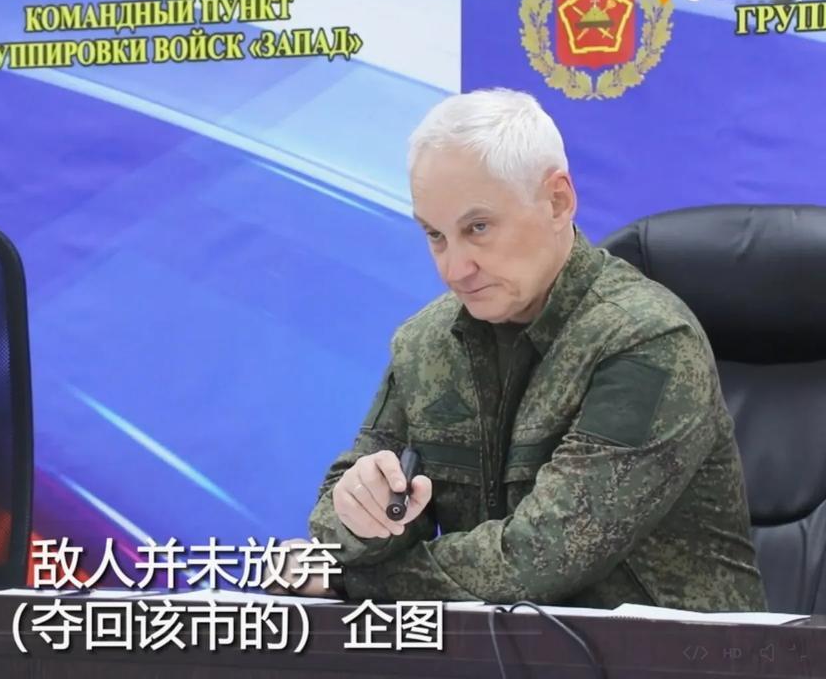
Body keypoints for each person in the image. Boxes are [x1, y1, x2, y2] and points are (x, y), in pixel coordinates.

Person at [288, 89, 766, 611]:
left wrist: (347, 581)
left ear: (557, 201)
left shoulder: (648, 339)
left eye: (478, 228)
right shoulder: (425, 343)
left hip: (675, 652)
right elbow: (337, 524)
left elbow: (543, 556)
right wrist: (358, 516)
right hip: (497, 648)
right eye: (435, 235)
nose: (454, 269)